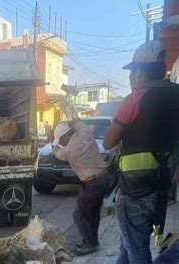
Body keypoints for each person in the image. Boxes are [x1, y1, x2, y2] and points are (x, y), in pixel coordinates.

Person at [104, 41, 179, 264]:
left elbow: (108, 142)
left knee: (137, 249)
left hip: (135, 189)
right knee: (128, 243)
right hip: (162, 186)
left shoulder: (136, 98)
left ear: (139, 73)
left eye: (131, 73)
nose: (130, 79)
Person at [52, 111, 109, 255]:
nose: (61, 142)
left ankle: (89, 242)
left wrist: (53, 146)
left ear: (66, 136)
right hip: (103, 178)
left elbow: (57, 153)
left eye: (61, 139)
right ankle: (93, 240)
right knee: (94, 211)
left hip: (92, 182)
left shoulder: (69, 150)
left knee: (79, 214)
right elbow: (79, 122)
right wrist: (71, 113)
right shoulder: (85, 132)